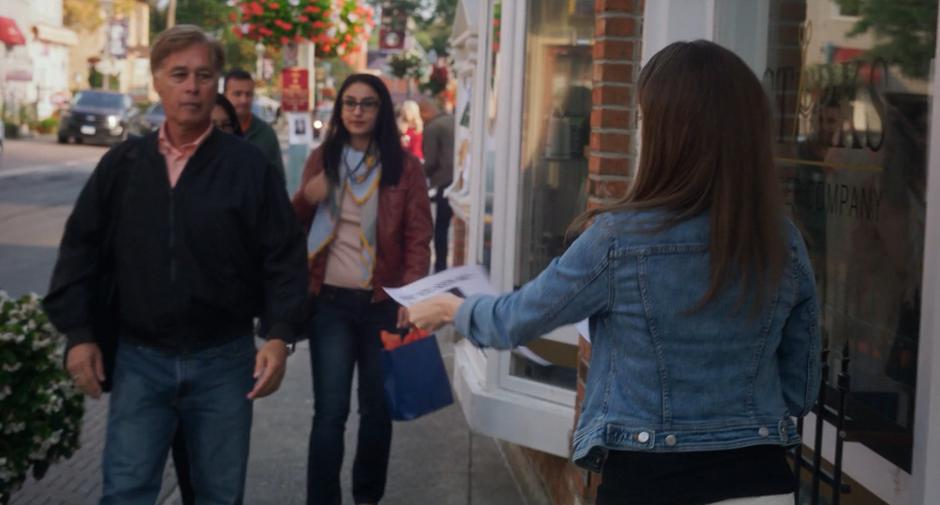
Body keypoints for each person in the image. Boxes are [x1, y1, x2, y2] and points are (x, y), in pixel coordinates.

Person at [409, 40, 821, 505]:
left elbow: (516, 320)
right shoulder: (783, 240)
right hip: (763, 482)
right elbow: (801, 388)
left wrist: (450, 307)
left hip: (651, 482)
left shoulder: (619, 239)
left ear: (671, 133)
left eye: (646, 119)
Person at [43, 25, 308, 505]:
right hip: (140, 361)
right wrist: (79, 336)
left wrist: (279, 334)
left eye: (204, 75)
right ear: (158, 82)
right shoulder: (122, 166)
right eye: (180, 74)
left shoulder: (247, 168)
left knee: (218, 495)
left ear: (217, 85)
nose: (192, 86)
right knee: (126, 492)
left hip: (224, 363)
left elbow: (285, 256)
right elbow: (79, 250)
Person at [292, 74, 432, 505]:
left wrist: (410, 295)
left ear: (381, 111)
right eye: (349, 103)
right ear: (339, 110)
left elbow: (417, 236)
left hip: (381, 306)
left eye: (367, 104)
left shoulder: (405, 167)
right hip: (329, 305)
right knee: (329, 415)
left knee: (376, 414)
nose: (356, 111)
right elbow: (287, 231)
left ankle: (366, 499)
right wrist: (306, 198)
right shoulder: (321, 159)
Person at [169, 91, 245, 505]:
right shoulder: (162, 177)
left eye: (223, 126)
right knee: (182, 454)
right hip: (165, 347)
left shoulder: (249, 181)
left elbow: (276, 260)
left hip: (224, 348)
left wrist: (280, 335)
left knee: (219, 462)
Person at [224, 68, 286, 182]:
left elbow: (277, 181)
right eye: (237, 94)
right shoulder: (212, 130)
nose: (244, 100)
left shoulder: (266, 134)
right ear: (225, 95)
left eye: (248, 94)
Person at [418, 97, 455, 272]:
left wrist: (417, 175)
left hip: (443, 181)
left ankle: (440, 266)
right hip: (458, 178)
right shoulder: (451, 120)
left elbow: (431, 161)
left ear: (425, 112)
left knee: (441, 228)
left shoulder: (432, 128)